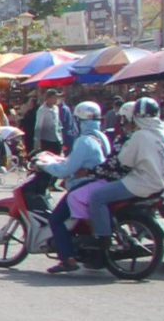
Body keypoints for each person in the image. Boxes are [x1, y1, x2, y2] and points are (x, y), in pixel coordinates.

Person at [59, 96, 164, 254]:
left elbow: (124, 161)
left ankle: (101, 237)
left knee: (97, 197)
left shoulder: (140, 136)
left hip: (141, 183)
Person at [34, 100, 114, 274]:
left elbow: (66, 170)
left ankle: (67, 259)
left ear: (80, 121)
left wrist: (43, 165)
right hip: (100, 183)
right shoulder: (101, 138)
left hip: (85, 186)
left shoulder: (84, 141)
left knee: (55, 219)